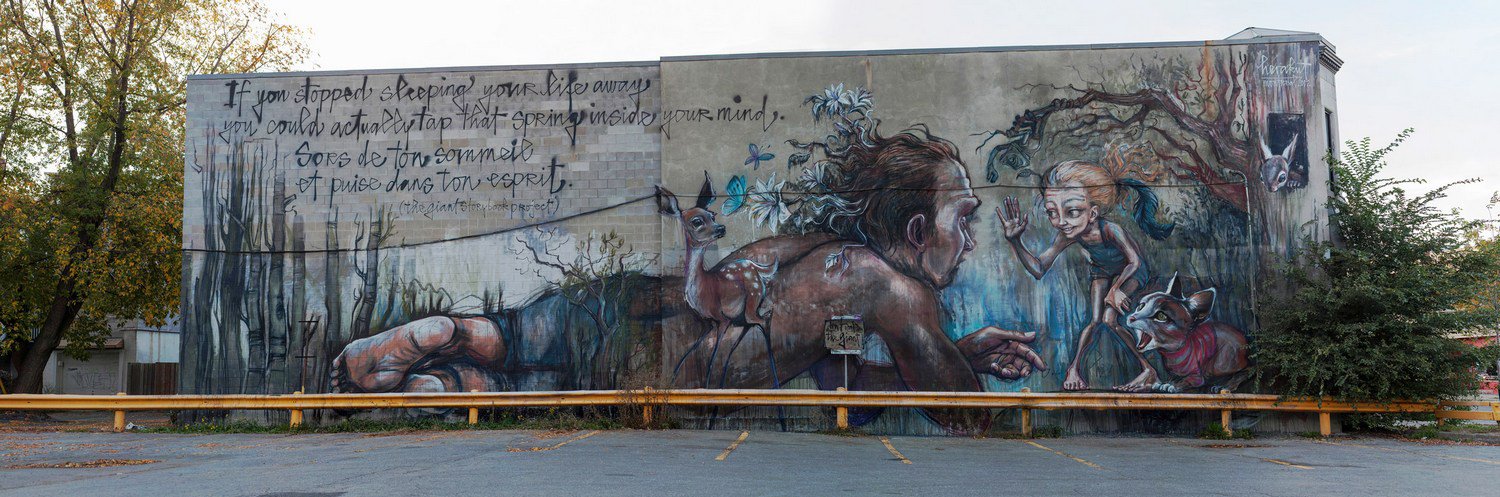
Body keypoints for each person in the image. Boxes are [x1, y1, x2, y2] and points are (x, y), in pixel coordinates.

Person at [332, 126, 1046, 434]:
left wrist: (962, 351)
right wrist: (962, 360)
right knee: (513, 394)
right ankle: (444, 383)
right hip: (659, 366)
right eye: (966, 218)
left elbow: (845, 386)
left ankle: (447, 339)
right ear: (917, 230)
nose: (971, 240)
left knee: (510, 336)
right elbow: (966, 415)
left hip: (620, 303)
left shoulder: (814, 253)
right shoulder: (895, 290)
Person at [997, 160, 1173, 392]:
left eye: (1072, 212)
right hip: (1101, 270)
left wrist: (1116, 289)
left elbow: (1134, 261)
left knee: (1109, 320)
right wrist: (1015, 241)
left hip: (1129, 271)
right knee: (1095, 321)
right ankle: (1074, 369)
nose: (1061, 222)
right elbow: (1039, 269)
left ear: (1093, 213)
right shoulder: (1067, 235)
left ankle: (1148, 370)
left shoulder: (1110, 230)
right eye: (1052, 213)